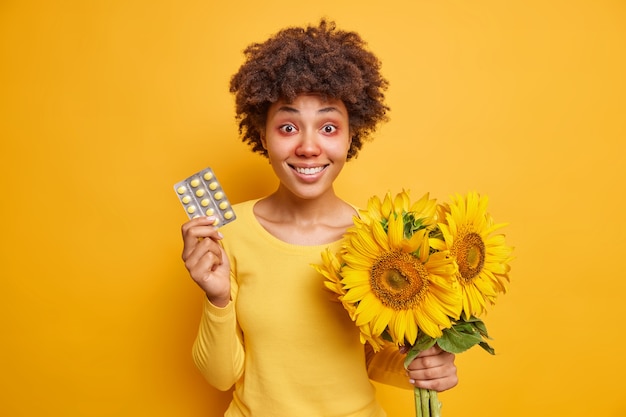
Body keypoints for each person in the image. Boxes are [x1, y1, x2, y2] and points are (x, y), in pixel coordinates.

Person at [180, 20, 458, 417]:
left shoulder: (380, 240)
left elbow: (373, 360)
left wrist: (433, 365)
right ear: (262, 135)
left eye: (329, 127)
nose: (309, 147)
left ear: (350, 137)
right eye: (288, 126)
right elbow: (221, 376)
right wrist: (217, 297)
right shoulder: (227, 234)